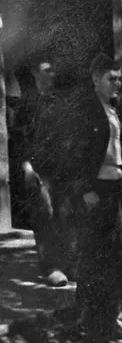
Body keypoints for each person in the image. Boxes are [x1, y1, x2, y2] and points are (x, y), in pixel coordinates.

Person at [75, 53, 122, 343]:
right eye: (111, 79)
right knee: (93, 259)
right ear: (95, 80)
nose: (117, 84)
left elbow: (121, 151)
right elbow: (72, 154)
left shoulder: (116, 111)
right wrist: (84, 189)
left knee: (116, 259)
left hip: (114, 189)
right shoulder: (84, 111)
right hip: (94, 190)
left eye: (119, 79)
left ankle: (110, 321)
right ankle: (88, 323)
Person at [12, 57, 71, 286]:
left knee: (63, 214)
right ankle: (52, 268)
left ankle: (67, 264)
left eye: (53, 71)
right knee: (44, 215)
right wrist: (26, 166)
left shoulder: (59, 102)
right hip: (38, 170)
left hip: (61, 169)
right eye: (47, 71)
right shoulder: (27, 103)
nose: (52, 75)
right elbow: (19, 139)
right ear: (36, 73)